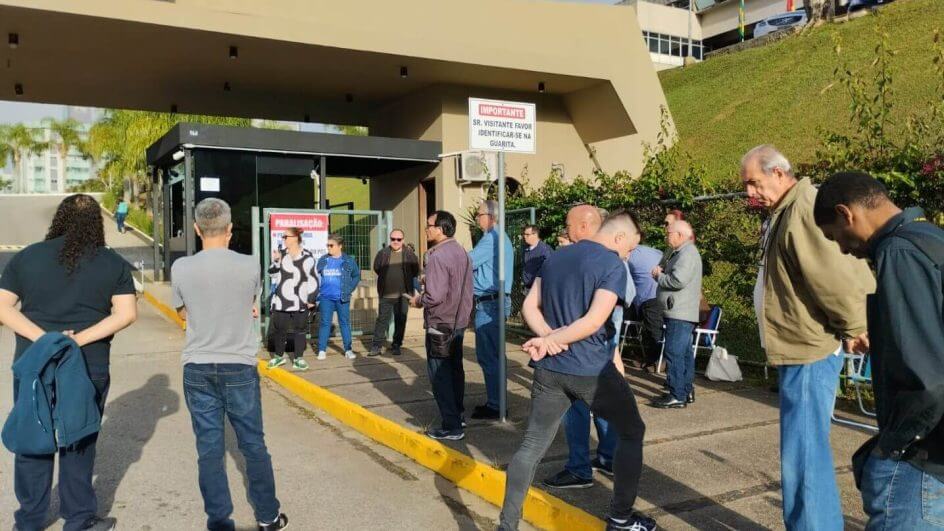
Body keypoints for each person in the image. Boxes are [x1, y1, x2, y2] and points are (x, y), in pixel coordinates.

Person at [741, 145, 874, 530]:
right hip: (801, 347)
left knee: (804, 454)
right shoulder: (788, 209)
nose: (750, 192)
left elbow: (834, 274)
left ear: (779, 174)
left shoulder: (801, 209)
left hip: (809, 349)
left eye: (754, 182)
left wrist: (854, 326)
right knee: (804, 452)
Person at [500, 210, 654, 531]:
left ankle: (507, 525)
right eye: (632, 247)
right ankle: (621, 519)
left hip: (550, 371)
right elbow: (595, 321)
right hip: (591, 370)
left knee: (530, 447)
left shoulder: (554, 258)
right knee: (632, 432)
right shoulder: (611, 263)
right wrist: (552, 339)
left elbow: (529, 306)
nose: (630, 255)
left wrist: (548, 339)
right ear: (618, 236)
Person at [813, 171, 944, 530]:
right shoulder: (931, 239)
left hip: (921, 462)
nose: (842, 248)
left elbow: (927, 378)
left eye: (834, 236)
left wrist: (892, 451)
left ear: (846, 213)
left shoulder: (900, 252)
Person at [0, 194, 137, 531]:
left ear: (58, 220)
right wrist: (75, 341)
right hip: (88, 366)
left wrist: (45, 340)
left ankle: (29, 521)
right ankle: (78, 520)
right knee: (79, 437)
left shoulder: (28, 257)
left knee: (34, 437)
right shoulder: (112, 263)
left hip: (34, 364)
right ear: (97, 224)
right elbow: (127, 314)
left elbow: (2, 308)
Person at [171, 198, 287, 531]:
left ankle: (219, 521)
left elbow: (182, 312)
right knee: (252, 444)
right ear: (230, 228)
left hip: (197, 366)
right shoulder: (251, 264)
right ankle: (267, 517)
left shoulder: (181, 268)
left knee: (209, 448)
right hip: (239, 365)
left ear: (196, 228)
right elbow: (251, 304)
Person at [541, 204, 620, 489]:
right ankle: (609, 458)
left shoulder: (564, 259)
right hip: (597, 346)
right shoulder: (610, 260)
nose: (566, 229)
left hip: (575, 350)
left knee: (575, 409)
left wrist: (550, 338)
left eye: (568, 223)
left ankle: (579, 468)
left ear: (585, 226)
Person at [410, 210, 474, 440]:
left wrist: (418, 300)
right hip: (458, 322)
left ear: (441, 229)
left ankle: (451, 426)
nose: (426, 228)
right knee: (455, 371)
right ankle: (458, 416)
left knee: (440, 375)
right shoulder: (462, 252)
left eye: (429, 225)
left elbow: (434, 296)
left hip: (440, 322)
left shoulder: (436, 256)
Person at [468, 199, 514, 420]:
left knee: (489, 356)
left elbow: (466, 263)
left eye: (479, 214)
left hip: (489, 303)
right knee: (494, 356)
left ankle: (497, 405)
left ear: (491, 216)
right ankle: (497, 402)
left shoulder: (491, 239)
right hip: (493, 302)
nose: (477, 218)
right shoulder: (498, 237)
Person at [650, 220, 702, 409]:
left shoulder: (687, 254)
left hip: (679, 311)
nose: (666, 236)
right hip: (680, 311)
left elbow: (678, 280)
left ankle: (676, 394)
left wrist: (659, 276)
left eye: (669, 233)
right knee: (684, 353)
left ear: (680, 235)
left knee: (674, 352)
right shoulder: (680, 252)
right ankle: (685, 391)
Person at [266, 226, 318, 371]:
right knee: (279, 330)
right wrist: (276, 261)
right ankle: (278, 357)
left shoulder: (307, 256)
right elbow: (272, 274)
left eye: (285, 237)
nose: (283, 239)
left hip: (301, 300)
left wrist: (311, 299)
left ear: (295, 238)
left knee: (300, 330)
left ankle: (299, 358)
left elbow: (313, 279)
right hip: (282, 300)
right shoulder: (281, 254)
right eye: (283, 237)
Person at [369, 229, 419, 357]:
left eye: (399, 239)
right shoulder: (383, 253)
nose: (395, 241)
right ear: (390, 239)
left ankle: (396, 344)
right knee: (382, 320)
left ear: (403, 240)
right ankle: (376, 346)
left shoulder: (409, 254)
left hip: (404, 295)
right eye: (393, 239)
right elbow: (377, 268)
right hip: (386, 294)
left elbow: (415, 270)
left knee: (400, 320)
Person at [316, 234, 361, 360]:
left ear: (340, 246)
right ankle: (321, 350)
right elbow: (315, 276)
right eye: (327, 245)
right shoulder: (323, 260)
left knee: (344, 323)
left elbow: (356, 275)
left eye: (331, 245)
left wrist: (349, 288)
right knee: (325, 323)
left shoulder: (348, 260)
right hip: (326, 297)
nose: (328, 248)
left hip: (342, 298)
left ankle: (348, 349)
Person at [626, 243, 663, 369]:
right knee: (653, 330)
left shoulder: (627, 254)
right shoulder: (655, 251)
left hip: (648, 297)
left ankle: (654, 361)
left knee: (653, 332)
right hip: (660, 293)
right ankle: (651, 359)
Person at [521, 225, 551, 292]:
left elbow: (548, 270)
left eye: (527, 234)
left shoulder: (545, 250)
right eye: (524, 234)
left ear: (535, 235)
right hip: (527, 288)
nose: (524, 236)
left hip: (539, 289)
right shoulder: (525, 248)